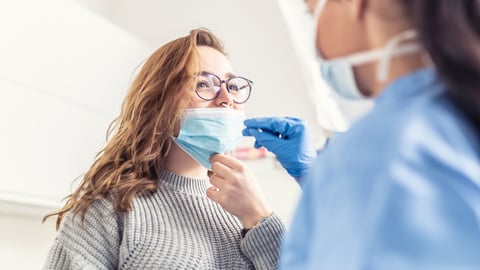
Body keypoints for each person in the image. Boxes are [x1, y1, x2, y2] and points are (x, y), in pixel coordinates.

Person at [243, 0, 480, 269]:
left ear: (356, 5)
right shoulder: (453, 113)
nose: (316, 42)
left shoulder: (378, 152)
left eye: (312, 16)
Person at [43, 28, 285, 270]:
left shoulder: (245, 207)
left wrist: (260, 217)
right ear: (161, 101)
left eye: (232, 86)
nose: (226, 98)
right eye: (204, 83)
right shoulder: (110, 208)